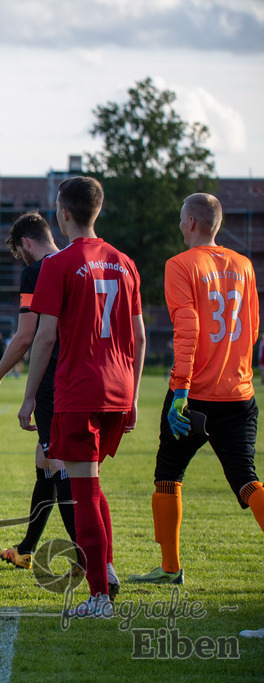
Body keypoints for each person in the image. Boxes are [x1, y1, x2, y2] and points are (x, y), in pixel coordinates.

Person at [18, 176, 145, 619]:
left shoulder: (59, 264)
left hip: (78, 388)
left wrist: (29, 396)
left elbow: (45, 337)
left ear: (63, 213)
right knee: (90, 482)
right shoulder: (125, 263)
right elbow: (141, 338)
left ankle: (98, 596)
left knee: (82, 487)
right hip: (118, 387)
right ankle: (105, 571)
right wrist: (132, 396)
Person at [129, 193, 263, 586]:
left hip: (194, 396)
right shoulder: (244, 265)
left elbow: (187, 330)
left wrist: (181, 391)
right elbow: (252, 331)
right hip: (239, 395)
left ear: (189, 223)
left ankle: (171, 568)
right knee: (246, 479)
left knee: (168, 474)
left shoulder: (180, 264)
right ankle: (168, 568)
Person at [0, 211, 78, 574]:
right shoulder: (77, 263)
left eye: (19, 251)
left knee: (59, 466)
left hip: (55, 381)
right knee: (45, 463)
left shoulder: (35, 273)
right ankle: (25, 549)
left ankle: (86, 557)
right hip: (86, 377)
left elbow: (26, 335)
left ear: (25, 243)